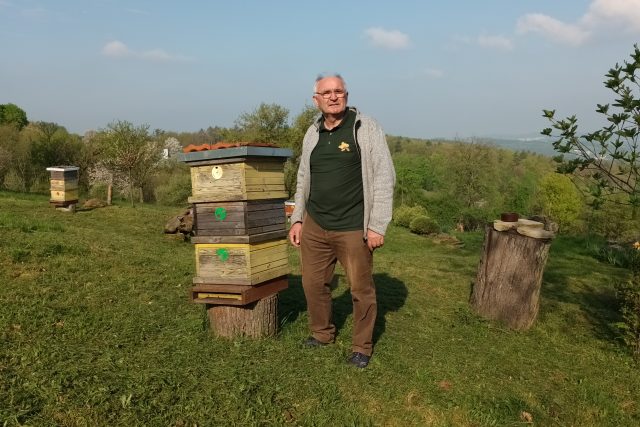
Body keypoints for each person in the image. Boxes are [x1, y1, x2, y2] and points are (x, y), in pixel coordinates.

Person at [288, 73, 395, 368]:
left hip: (352, 227)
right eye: (327, 93)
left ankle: (362, 346)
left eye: (339, 91)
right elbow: (302, 178)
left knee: (361, 289)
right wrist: (297, 219)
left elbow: (384, 177)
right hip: (315, 224)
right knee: (313, 284)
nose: (333, 96)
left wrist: (377, 225)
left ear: (346, 95)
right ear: (316, 100)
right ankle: (322, 334)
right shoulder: (313, 132)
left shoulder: (365, 128)